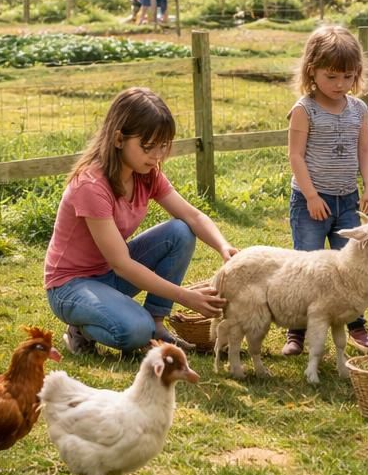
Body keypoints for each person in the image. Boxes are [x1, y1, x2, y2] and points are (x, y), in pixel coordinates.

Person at [45, 87, 236, 356]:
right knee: (134, 331)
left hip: (108, 276)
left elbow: (191, 215)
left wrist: (224, 247)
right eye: (148, 147)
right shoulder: (90, 185)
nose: (157, 155)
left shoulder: (146, 173)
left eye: (162, 146)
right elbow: (122, 264)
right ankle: (81, 328)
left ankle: (156, 325)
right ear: (118, 139)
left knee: (180, 231)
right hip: (70, 285)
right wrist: (185, 297)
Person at [278, 25, 368, 357]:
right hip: (311, 201)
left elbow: (365, 150)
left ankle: (356, 325)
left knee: (349, 265)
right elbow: (295, 155)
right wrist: (310, 195)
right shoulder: (304, 109)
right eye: (332, 77)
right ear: (312, 71)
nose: (340, 85)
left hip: (347, 200)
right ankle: (296, 329)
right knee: (307, 265)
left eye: (347, 77)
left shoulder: (358, 110)